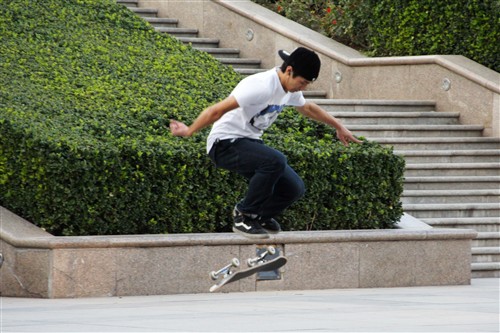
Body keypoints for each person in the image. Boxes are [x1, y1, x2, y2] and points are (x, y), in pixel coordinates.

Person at [170, 47, 361, 239]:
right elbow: (216, 110)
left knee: (294, 188)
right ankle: (243, 215)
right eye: (302, 83)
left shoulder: (289, 88)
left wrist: (338, 126)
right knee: (275, 160)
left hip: (249, 142)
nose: (302, 88)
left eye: (306, 85)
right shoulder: (260, 85)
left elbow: (308, 108)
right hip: (224, 143)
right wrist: (190, 130)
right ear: (289, 71)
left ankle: (261, 217)